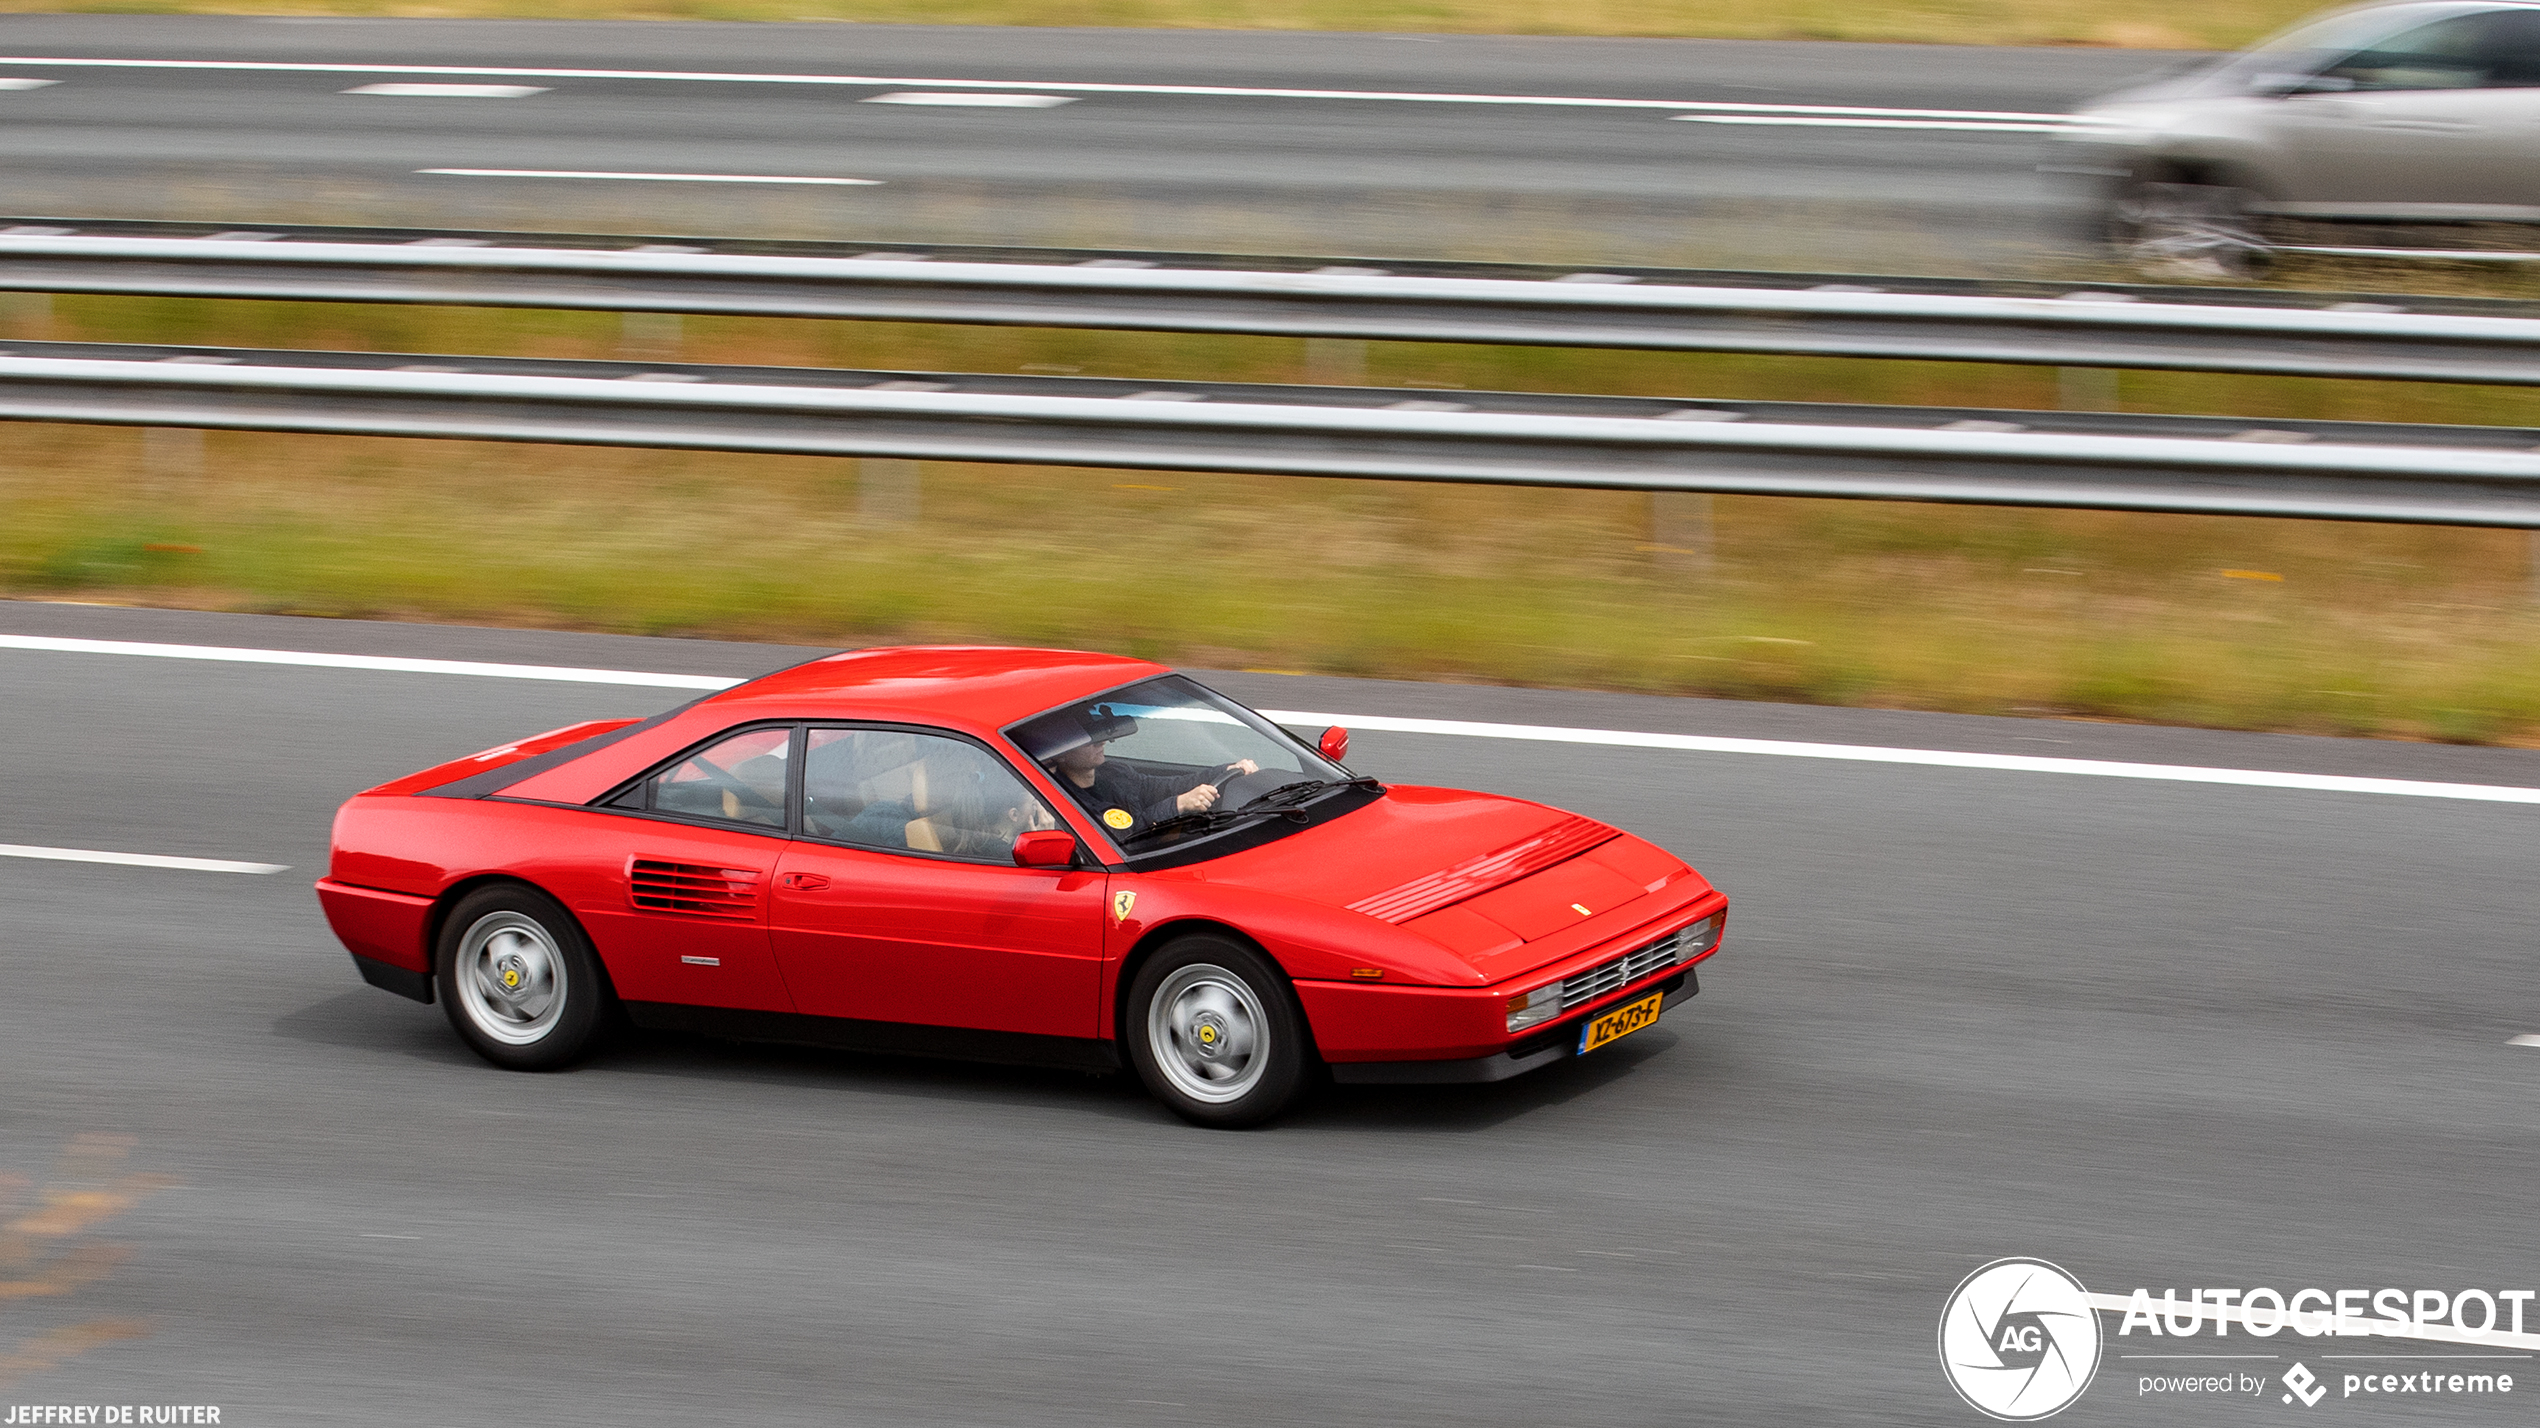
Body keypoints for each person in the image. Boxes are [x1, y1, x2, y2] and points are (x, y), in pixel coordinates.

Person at [1041, 705, 1255, 836]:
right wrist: (1179, 804)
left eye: (1098, 733)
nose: (1101, 741)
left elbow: (1166, 787)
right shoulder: (1066, 802)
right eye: (1088, 739)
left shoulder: (1115, 773)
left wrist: (1226, 770)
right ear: (1061, 754)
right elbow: (1125, 836)